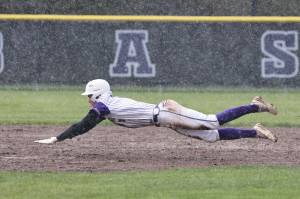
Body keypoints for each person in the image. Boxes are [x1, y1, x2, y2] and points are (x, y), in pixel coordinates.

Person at [34, 79, 278, 144]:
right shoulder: (106, 107)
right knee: (211, 136)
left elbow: (83, 125)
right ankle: (255, 132)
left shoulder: (104, 106)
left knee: (212, 122)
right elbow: (86, 125)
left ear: (97, 94)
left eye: (89, 95)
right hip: (165, 120)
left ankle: (255, 105)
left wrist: (58, 138)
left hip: (166, 112)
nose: (88, 100)